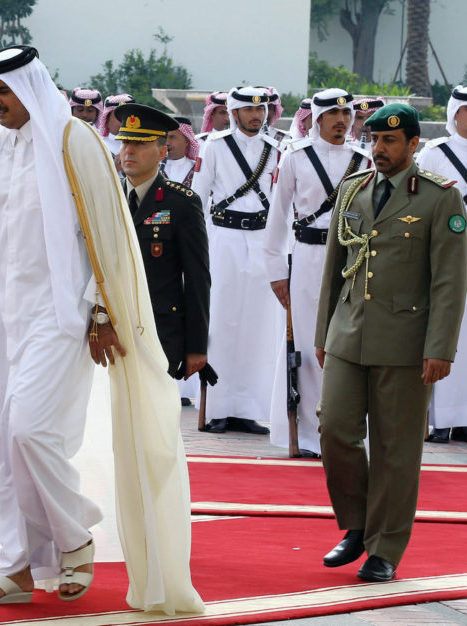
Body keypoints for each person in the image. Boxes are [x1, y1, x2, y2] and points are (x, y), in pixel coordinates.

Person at [0, 45, 201, 613]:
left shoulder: (73, 142)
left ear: (30, 88)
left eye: (4, 92)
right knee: (6, 447)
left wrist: (103, 312)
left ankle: (75, 536)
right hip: (0, 316)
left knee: (31, 430)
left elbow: (104, 237)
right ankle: (15, 568)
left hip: (62, 315)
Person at [315, 103, 467, 582]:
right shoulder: (352, 190)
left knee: (395, 449)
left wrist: (439, 348)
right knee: (335, 432)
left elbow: (449, 281)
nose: (378, 149)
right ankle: (357, 526)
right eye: (374, 140)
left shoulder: (441, 198)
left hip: (406, 342)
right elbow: (333, 269)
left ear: (412, 145)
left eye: (389, 142)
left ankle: (386, 548)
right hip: (348, 333)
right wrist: (323, 333)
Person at [264, 89, 370, 458]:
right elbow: (277, 219)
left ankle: (347, 430)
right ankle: (309, 434)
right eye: (334, 115)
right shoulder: (295, 159)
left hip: (354, 259)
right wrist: (277, 271)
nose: (342, 121)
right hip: (307, 258)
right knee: (309, 344)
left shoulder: (364, 160)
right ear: (318, 119)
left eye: (348, 115)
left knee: (350, 343)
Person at [191, 85, 284, 435]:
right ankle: (218, 407)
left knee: (257, 326)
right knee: (222, 323)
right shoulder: (214, 147)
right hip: (224, 239)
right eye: (248, 110)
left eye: (260, 110)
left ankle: (248, 408)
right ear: (234, 113)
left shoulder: (276, 150)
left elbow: (279, 204)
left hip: (261, 239)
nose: (256, 116)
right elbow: (198, 200)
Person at [117, 103, 211, 389]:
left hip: (161, 330)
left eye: (140, 144)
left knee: (155, 420)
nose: (128, 151)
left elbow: (197, 278)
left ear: (161, 152)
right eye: (125, 143)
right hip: (114, 328)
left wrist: (196, 345)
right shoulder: (109, 197)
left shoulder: (181, 202)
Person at [417, 85, 467, 444]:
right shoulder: (434, 154)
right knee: (448, 324)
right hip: (449, 244)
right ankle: (442, 418)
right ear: (455, 114)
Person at [162, 116, 200, 185]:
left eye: (172, 137)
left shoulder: (198, 169)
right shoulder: (152, 168)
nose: (167, 143)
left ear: (186, 141)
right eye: (164, 137)